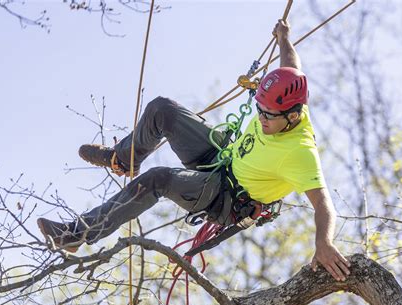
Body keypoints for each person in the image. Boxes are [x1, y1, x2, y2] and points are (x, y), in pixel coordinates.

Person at [37, 20, 351, 281]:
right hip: (222, 156)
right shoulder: (289, 99)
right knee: (162, 110)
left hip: (225, 196)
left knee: (159, 179)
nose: (262, 118)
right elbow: (290, 64)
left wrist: (323, 242)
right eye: (260, 110)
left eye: (268, 115)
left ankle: (78, 234)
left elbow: (323, 205)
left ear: (293, 116)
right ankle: (123, 158)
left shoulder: (299, 153)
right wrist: (284, 37)